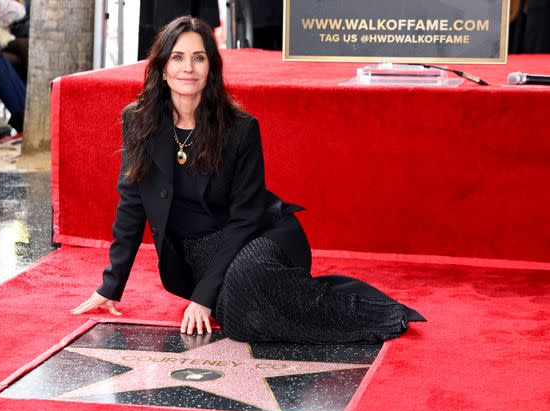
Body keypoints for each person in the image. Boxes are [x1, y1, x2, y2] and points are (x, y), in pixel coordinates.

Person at [71, 16, 425, 343]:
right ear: (162, 68)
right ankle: (291, 292)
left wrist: (204, 297)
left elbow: (245, 218)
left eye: (199, 58)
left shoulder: (240, 128)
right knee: (243, 320)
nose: (188, 68)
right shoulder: (138, 121)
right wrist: (111, 286)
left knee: (245, 290)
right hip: (198, 254)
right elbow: (132, 203)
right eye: (177, 58)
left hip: (257, 236)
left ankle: (366, 312)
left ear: (212, 67)